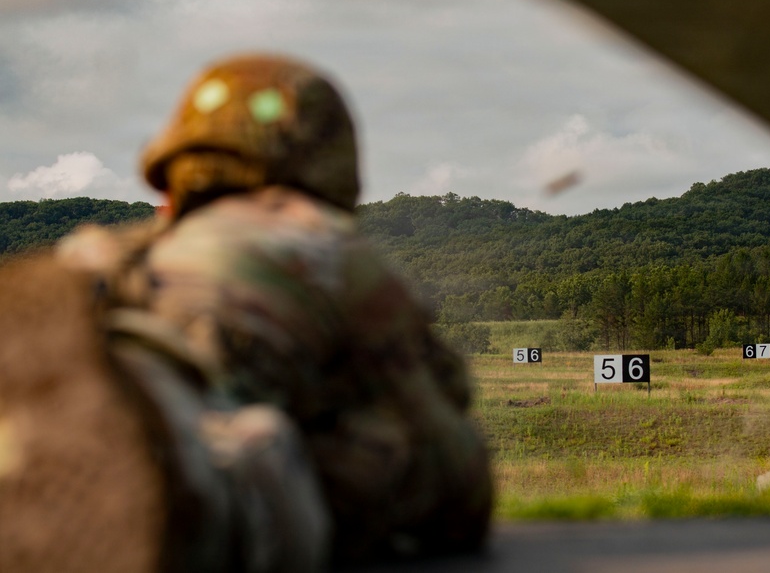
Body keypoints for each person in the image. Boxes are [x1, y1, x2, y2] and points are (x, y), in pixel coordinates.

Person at [0, 54, 492, 572]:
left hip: (114, 343)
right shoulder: (320, 240)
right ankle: (191, 488)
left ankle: (110, 418)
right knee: (331, 455)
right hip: (202, 439)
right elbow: (442, 449)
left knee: (154, 378)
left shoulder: (141, 246)